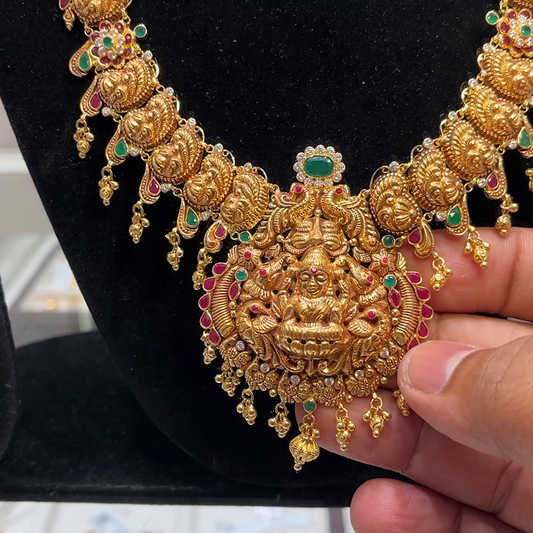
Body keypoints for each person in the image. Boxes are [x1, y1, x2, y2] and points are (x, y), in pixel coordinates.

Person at [300, 227, 533, 532]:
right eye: (306, 278)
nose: (313, 284)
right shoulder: (294, 301)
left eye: (320, 278)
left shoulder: (340, 298)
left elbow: (361, 315)